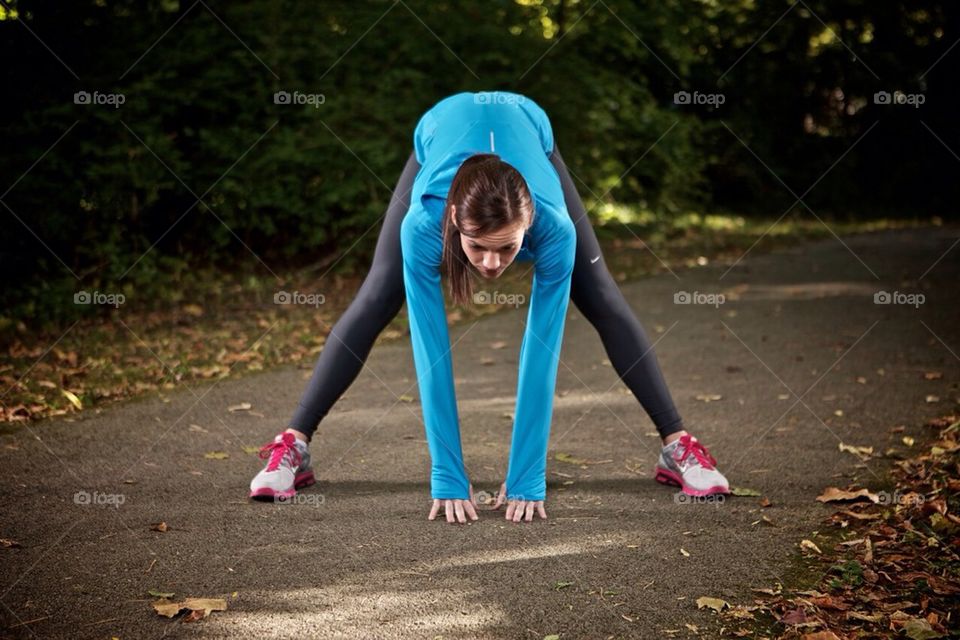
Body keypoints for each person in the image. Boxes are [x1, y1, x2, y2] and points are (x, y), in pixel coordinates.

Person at [249, 91, 730, 522]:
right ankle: (294, 444)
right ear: (455, 221)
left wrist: (527, 476)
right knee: (379, 293)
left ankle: (677, 445)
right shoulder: (424, 223)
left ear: (530, 225)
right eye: (478, 248)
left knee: (599, 291)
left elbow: (542, 347)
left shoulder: (553, 227)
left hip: (526, 123)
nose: (492, 265)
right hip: (441, 124)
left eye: (508, 248)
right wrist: (447, 475)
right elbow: (431, 349)